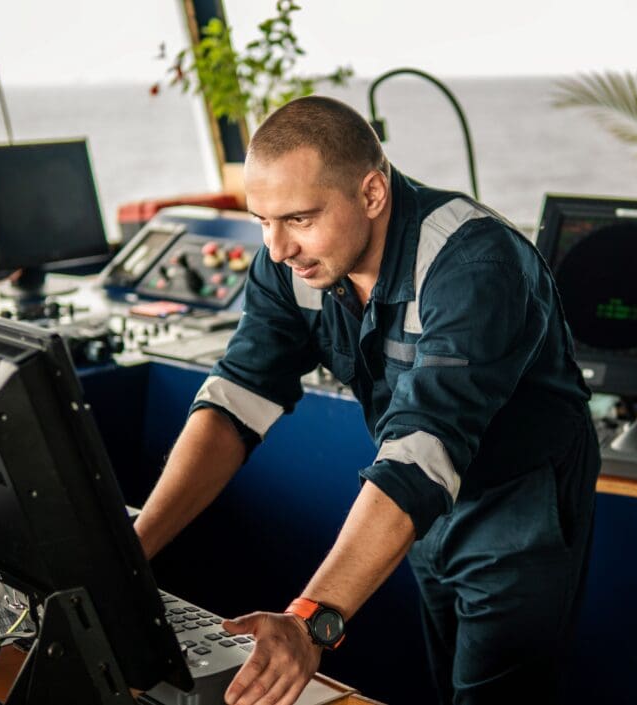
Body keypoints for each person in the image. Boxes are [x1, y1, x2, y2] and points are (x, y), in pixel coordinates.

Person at [133, 95, 600, 705]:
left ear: (372, 194)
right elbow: (236, 397)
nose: (276, 249)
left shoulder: (474, 263)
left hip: (517, 501)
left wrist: (308, 621)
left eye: (299, 219)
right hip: (419, 503)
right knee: (447, 681)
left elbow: (423, 448)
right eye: (262, 221)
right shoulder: (293, 262)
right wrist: (132, 551)